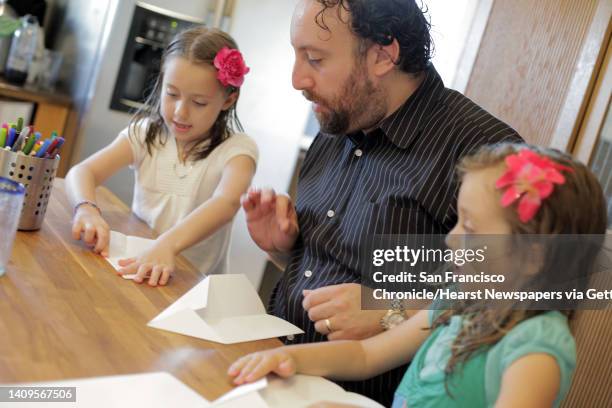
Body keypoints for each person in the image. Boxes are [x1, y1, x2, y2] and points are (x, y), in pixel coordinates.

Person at [241, 0, 521, 403]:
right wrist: (284, 249)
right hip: (272, 365)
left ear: (382, 55)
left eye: (315, 59)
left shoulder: (484, 151)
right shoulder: (339, 118)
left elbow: (537, 288)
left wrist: (390, 309)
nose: (297, 79)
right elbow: (333, 272)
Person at [230, 143, 608, 407]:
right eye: (458, 219)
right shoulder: (460, 300)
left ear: (532, 259)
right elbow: (366, 354)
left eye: (472, 229)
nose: (452, 237)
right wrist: (291, 360)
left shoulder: (535, 348)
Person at [66, 27, 257, 286]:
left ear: (227, 100)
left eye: (199, 102)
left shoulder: (236, 150)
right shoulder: (146, 134)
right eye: (172, 94)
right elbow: (82, 172)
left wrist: (166, 245)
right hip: (140, 269)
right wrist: (86, 209)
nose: (180, 112)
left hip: (191, 287)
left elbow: (226, 203)